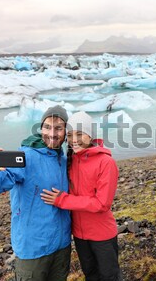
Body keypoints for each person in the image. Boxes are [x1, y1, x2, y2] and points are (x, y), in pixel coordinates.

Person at [0, 105, 72, 281]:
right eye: (47, 127)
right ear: (41, 127)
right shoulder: (26, 156)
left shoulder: (62, 159)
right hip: (33, 249)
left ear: (65, 131)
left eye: (58, 128)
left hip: (62, 246)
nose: (52, 133)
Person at [41, 111, 122, 281]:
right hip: (79, 234)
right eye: (69, 135)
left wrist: (62, 200)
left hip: (102, 235)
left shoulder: (106, 162)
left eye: (79, 134)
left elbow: (102, 204)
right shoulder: (71, 159)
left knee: (109, 277)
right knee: (91, 275)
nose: (74, 140)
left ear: (90, 135)